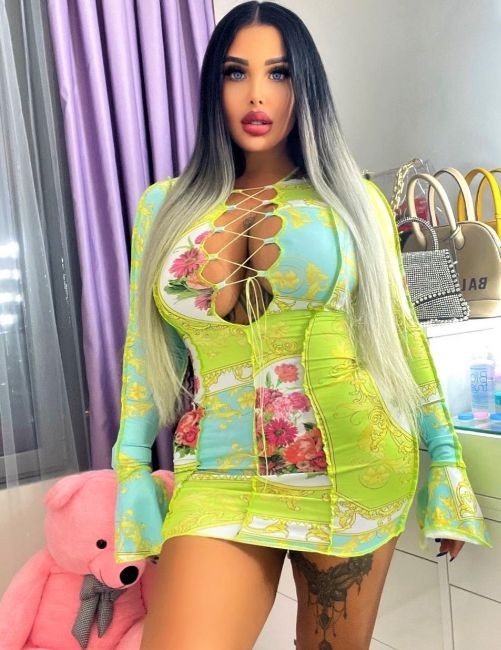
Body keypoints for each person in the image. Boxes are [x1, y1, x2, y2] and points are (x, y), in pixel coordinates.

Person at [111, 2, 491, 648]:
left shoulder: (353, 200)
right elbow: (145, 354)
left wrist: (447, 461)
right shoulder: (164, 208)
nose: (256, 94)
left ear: (304, 85)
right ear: (213, 87)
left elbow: (400, 334)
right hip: (216, 476)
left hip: (353, 469)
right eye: (236, 72)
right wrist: (129, 468)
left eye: (279, 73)